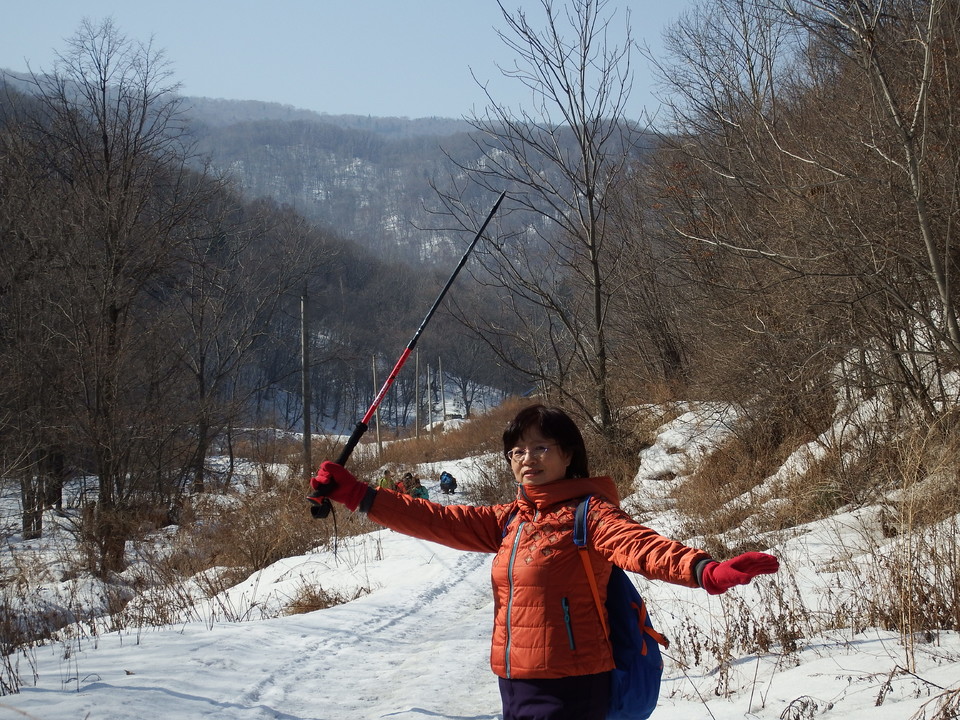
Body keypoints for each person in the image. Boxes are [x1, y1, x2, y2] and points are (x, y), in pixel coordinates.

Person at [309, 404, 779, 720]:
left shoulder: (589, 513)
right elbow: (435, 517)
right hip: (515, 680)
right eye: (516, 451)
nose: (525, 459)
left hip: (574, 685)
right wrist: (356, 493)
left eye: (539, 448)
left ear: (568, 454)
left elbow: (639, 544)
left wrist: (704, 570)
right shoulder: (510, 518)